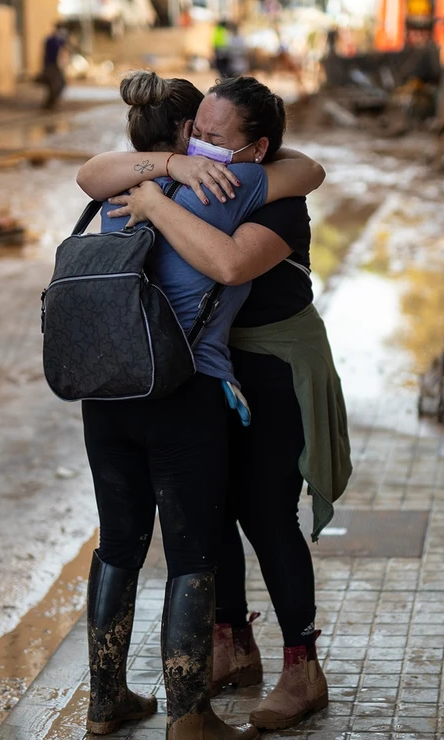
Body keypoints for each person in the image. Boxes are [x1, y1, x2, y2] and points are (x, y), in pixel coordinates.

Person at [89, 75, 351, 733]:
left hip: (273, 367)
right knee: (212, 513)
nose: (199, 145)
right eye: (193, 133)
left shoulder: (271, 197)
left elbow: (237, 260)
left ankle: (303, 668)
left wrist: (156, 199)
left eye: (214, 138)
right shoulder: (187, 174)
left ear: (256, 148)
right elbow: (94, 174)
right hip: (207, 373)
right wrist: (169, 170)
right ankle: (231, 644)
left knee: (265, 513)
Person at [42, 25, 68, 109]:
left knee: (60, 84)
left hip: (57, 67)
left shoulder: (60, 41)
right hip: (51, 66)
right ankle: (49, 105)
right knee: (54, 86)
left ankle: (51, 104)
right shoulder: (51, 40)